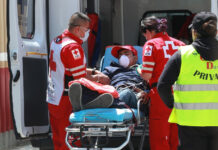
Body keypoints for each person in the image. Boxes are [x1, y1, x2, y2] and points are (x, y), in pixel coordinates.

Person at [47, 12, 110, 150]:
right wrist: (100, 78)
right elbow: (79, 78)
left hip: (53, 97)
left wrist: (93, 71)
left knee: (58, 140)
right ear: (77, 29)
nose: (88, 33)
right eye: (86, 29)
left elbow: (71, 68)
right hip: (66, 100)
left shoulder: (57, 40)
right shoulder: (73, 47)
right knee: (71, 141)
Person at [157, 11, 218, 150]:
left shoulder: (182, 55)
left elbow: (162, 86)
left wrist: (174, 105)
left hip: (190, 122)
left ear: (194, 32)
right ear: (216, 32)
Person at [139, 16, 185, 150]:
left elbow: (147, 74)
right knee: (176, 138)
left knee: (160, 138)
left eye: (144, 34)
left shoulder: (151, 44)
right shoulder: (181, 44)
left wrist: (139, 70)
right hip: (180, 94)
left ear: (148, 31)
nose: (145, 38)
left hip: (160, 96)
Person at [68, 45, 148, 111]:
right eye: (120, 55)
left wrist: (146, 93)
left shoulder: (141, 69)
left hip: (134, 94)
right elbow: (100, 81)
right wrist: (95, 72)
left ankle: (97, 106)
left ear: (135, 58)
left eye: (126, 54)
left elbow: (151, 84)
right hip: (113, 93)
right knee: (90, 86)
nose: (122, 56)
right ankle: (85, 103)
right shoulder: (111, 68)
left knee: (126, 93)